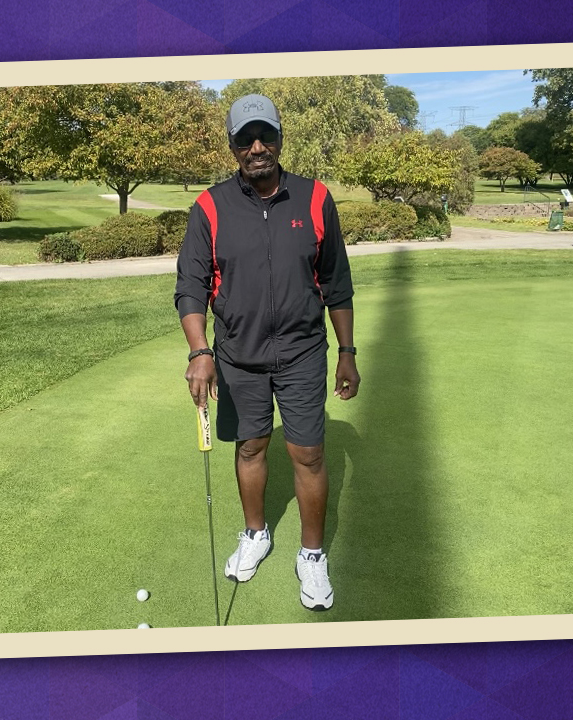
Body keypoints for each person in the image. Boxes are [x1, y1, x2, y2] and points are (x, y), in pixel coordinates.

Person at [174, 93, 360, 611]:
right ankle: (256, 534)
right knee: (250, 447)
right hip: (238, 356)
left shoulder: (315, 198)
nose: (257, 147)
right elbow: (190, 286)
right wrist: (199, 352)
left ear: (280, 138)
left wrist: (346, 351)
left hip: (303, 353)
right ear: (233, 146)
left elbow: (336, 282)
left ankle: (312, 554)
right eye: (245, 139)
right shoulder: (210, 206)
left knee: (309, 453)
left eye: (266, 136)